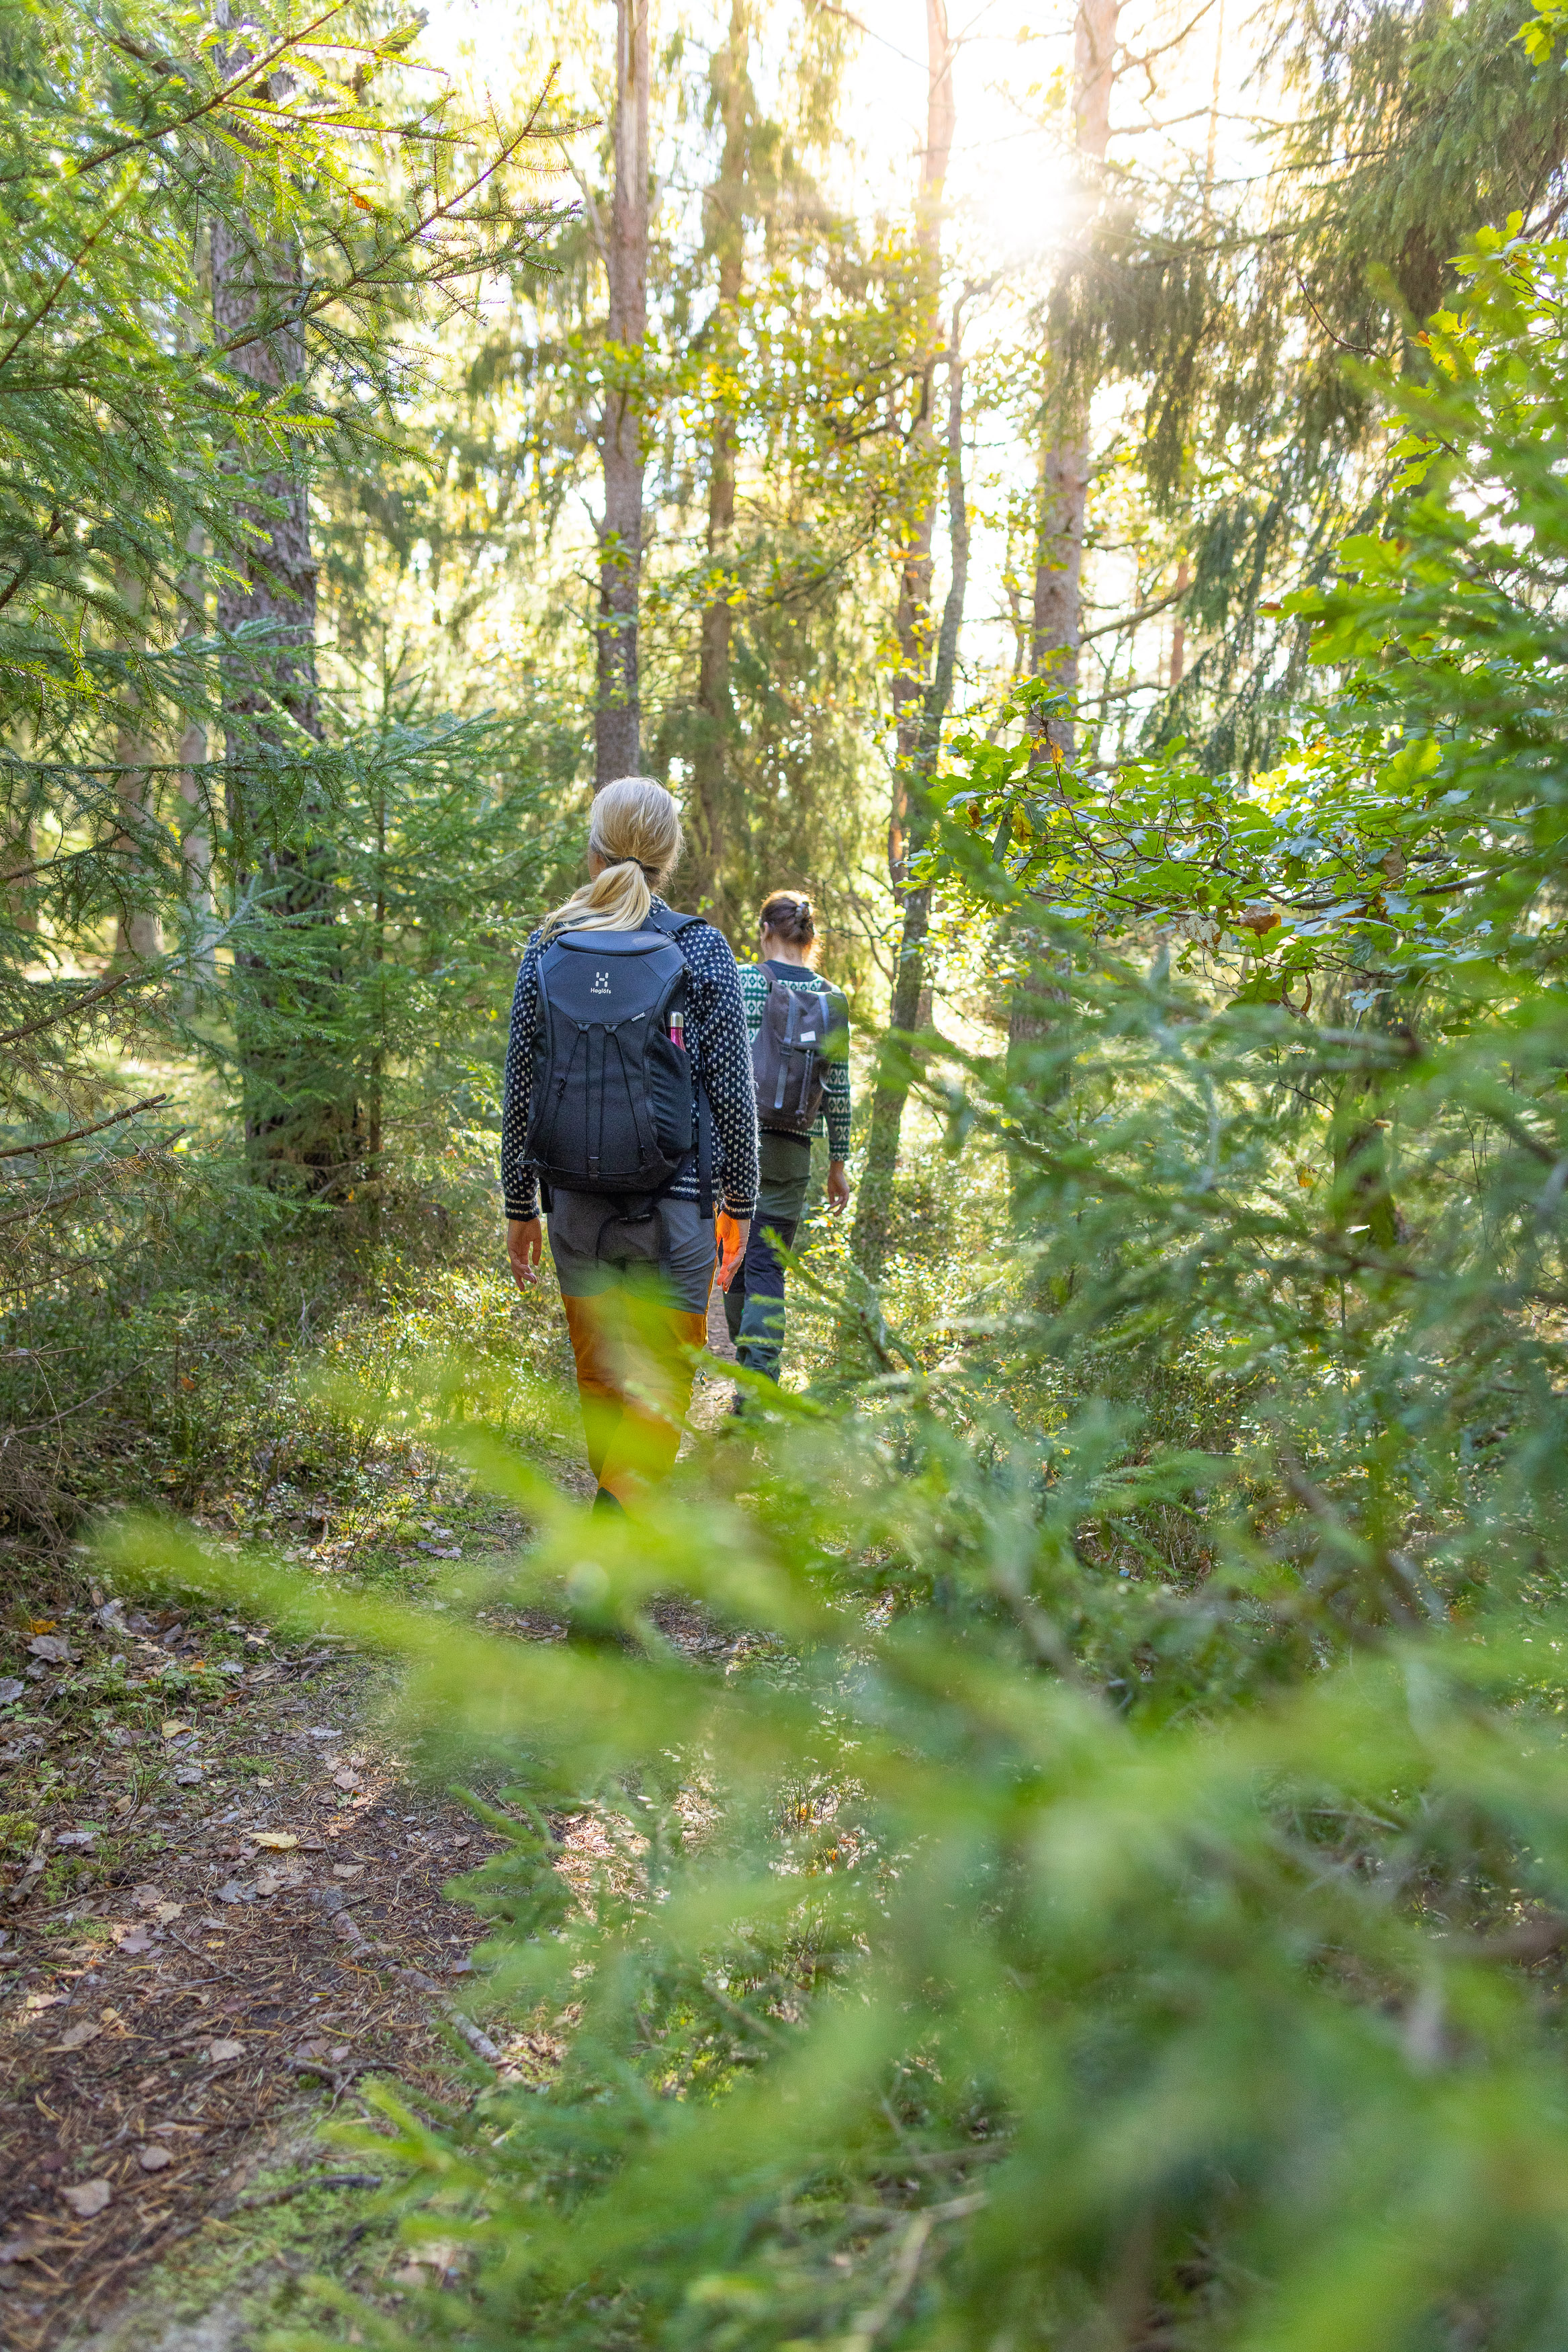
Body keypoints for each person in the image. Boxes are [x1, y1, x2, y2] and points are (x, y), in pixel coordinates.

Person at [500, 778, 758, 1509]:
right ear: (669, 857)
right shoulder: (700, 946)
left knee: (601, 1380)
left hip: (574, 1204)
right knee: (661, 1387)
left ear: (593, 852)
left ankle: (607, 1528)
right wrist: (739, 1201)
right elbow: (732, 1092)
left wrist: (519, 1205)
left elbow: (520, 1083)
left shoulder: (548, 943)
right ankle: (611, 1534)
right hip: (677, 1206)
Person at [730, 891, 852, 1387]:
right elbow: (839, 1088)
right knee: (767, 1267)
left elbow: (716, 1067)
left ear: (765, 931)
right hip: (793, 1153)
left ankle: (750, 1368)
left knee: (734, 1260)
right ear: (810, 937)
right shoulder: (832, 999)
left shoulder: (741, 982)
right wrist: (838, 1163)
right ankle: (759, 1379)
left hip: (736, 1147)